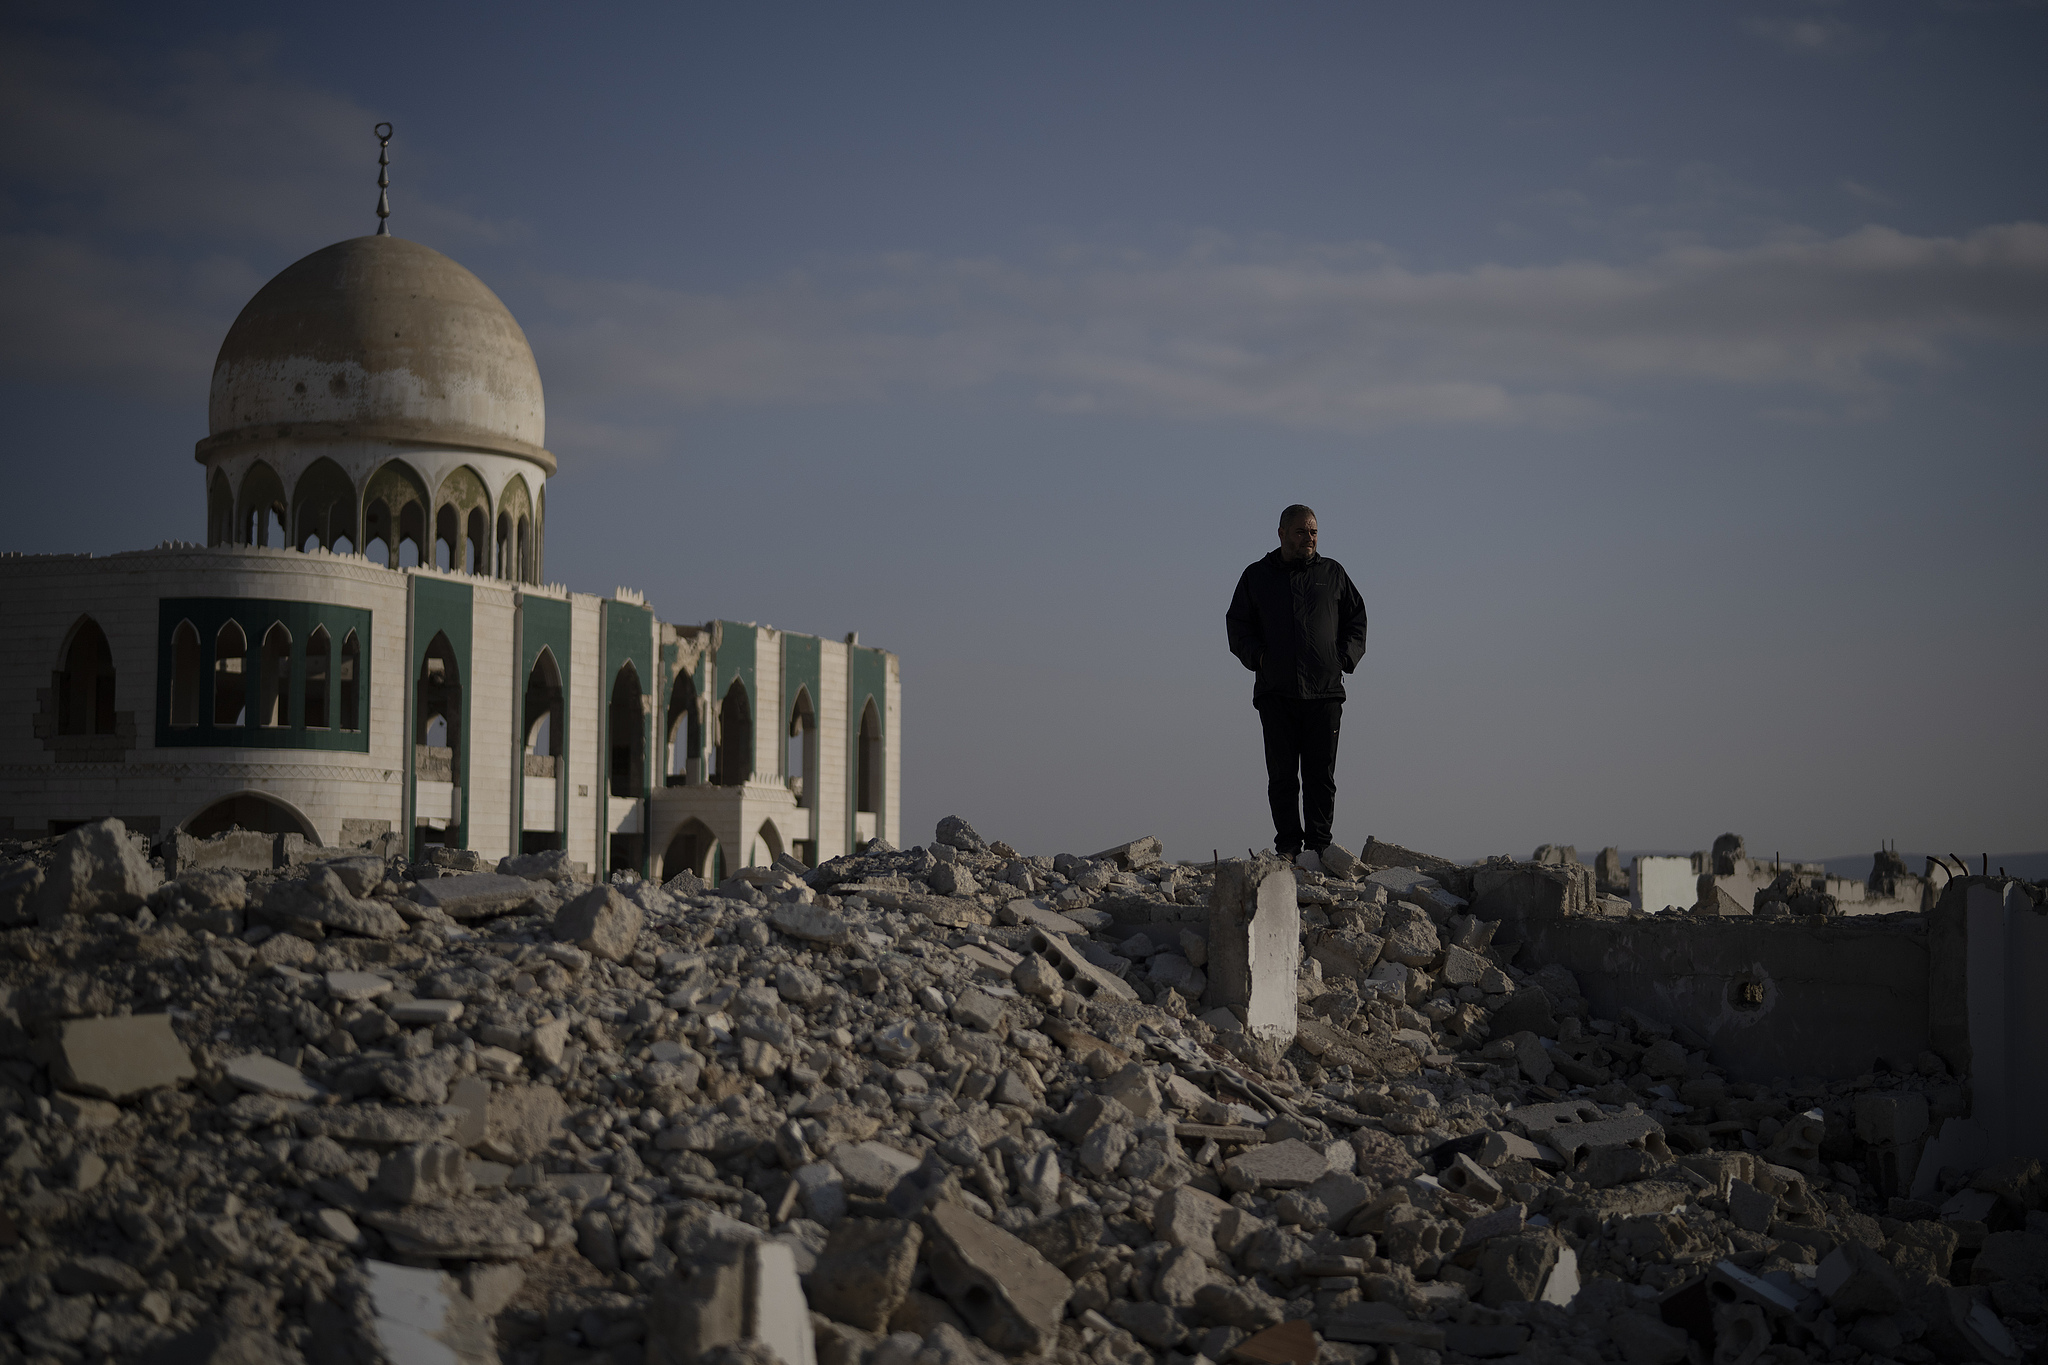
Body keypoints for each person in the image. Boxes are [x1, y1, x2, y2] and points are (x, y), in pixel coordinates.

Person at [1225, 504, 1368, 863]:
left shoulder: (1332, 573)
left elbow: (1356, 618)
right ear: (1282, 534)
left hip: (1325, 693)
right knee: (1283, 777)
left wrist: (1344, 658)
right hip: (1277, 694)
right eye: (1302, 531)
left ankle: (1320, 846)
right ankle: (1288, 848)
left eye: (1315, 531)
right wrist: (1259, 659)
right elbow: (1237, 626)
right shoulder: (1256, 576)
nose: (1310, 538)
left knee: (1321, 776)